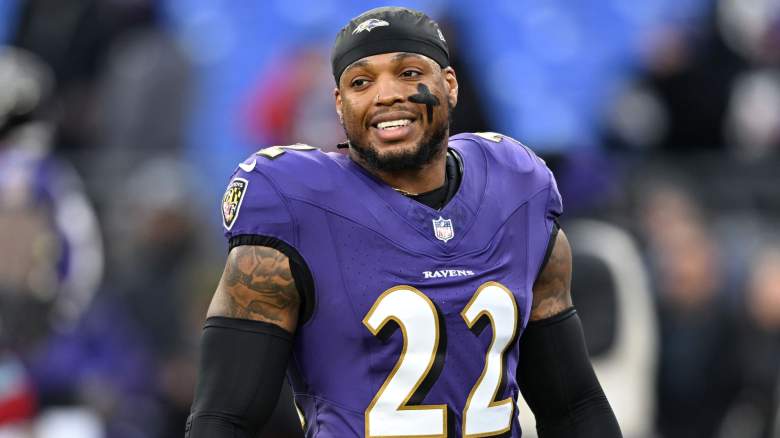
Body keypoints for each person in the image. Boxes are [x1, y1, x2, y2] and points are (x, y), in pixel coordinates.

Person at [186, 7, 622, 438]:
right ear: (340, 104)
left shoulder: (515, 189)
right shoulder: (295, 203)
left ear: (449, 85)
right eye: (361, 82)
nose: (386, 94)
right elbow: (225, 418)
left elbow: (574, 406)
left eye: (410, 73)